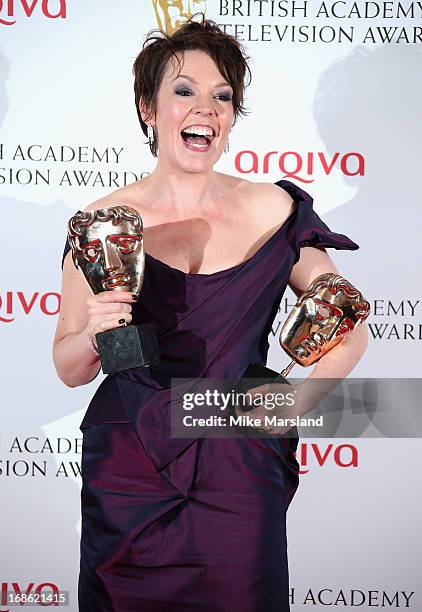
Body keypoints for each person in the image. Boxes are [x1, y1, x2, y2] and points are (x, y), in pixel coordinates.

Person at [52, 15, 368, 612]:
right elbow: (68, 365)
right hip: (129, 465)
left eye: (222, 95)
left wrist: (297, 402)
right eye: (184, 90)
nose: (206, 108)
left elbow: (346, 320)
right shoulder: (103, 223)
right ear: (148, 108)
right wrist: (95, 332)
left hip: (238, 462)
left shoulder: (275, 209)